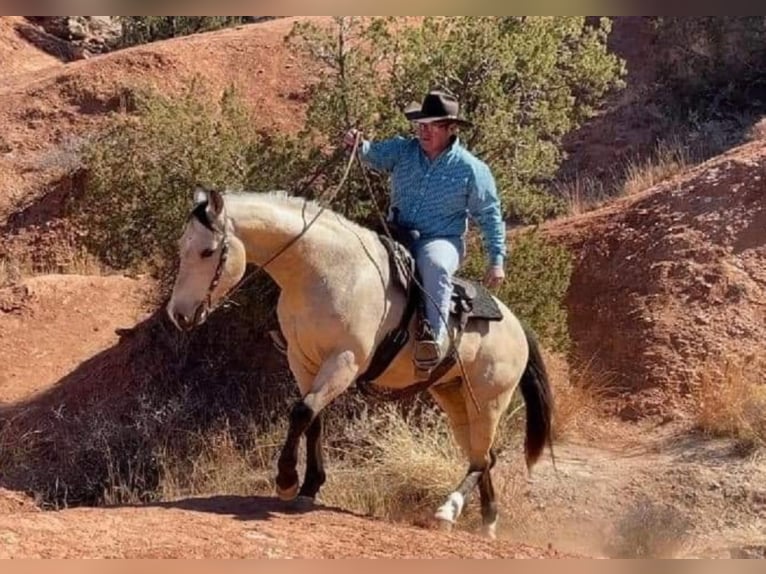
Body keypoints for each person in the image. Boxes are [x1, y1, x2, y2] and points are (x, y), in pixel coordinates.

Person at [343, 89, 506, 378]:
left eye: (432, 125)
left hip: (439, 239)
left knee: (435, 265)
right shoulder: (403, 150)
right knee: (352, 250)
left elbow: (490, 215)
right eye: (421, 124)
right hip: (396, 233)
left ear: (450, 128)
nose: (423, 131)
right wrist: (359, 144)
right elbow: (373, 155)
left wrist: (496, 260)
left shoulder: (472, 170)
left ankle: (433, 341)